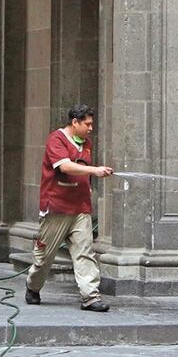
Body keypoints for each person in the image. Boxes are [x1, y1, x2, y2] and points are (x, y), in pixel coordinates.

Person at [26, 104, 113, 312]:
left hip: (81, 207)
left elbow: (81, 170)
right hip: (57, 207)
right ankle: (33, 286)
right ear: (75, 122)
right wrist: (94, 170)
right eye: (87, 124)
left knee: (85, 252)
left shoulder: (86, 143)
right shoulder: (56, 139)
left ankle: (90, 297)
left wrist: (89, 184)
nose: (91, 128)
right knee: (45, 256)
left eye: (91, 124)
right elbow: (64, 166)